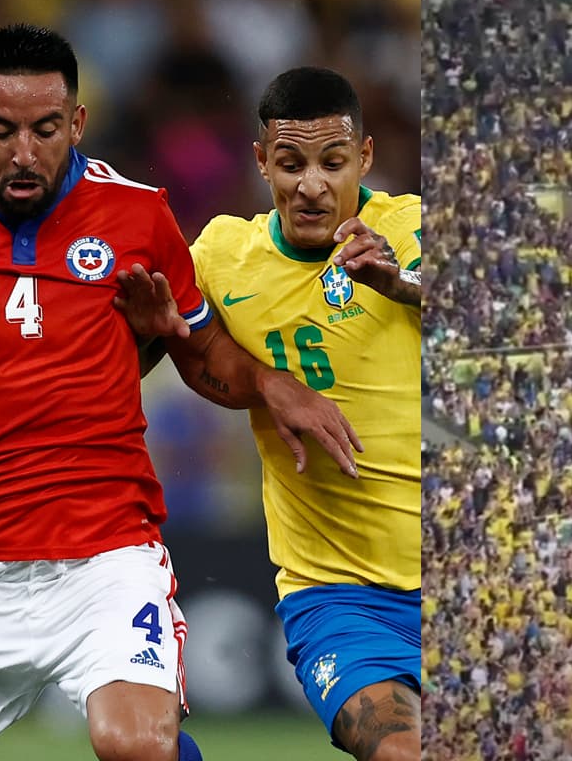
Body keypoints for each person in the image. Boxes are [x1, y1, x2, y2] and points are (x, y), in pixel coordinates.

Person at [0, 25, 360, 761]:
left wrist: (269, 385)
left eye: (45, 130)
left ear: (77, 122)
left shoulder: (137, 215)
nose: (24, 153)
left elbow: (199, 349)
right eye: (2, 130)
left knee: (135, 744)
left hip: (105, 556)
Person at [118, 67, 420, 761]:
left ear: (365, 159)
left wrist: (397, 284)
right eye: (291, 163)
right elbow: (166, 359)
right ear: (261, 162)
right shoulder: (224, 257)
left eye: (332, 162)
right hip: (341, 597)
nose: (311, 184)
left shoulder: (408, 229)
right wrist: (147, 331)